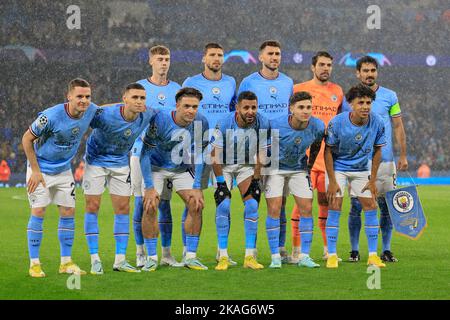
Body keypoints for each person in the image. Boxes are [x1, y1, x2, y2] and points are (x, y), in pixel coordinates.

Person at [22, 78, 97, 277]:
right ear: (69, 96)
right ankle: (34, 264)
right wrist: (36, 171)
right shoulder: (51, 116)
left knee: (68, 212)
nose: (84, 100)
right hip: (41, 170)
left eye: (87, 96)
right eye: (79, 96)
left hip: (64, 170)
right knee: (38, 212)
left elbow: (106, 109)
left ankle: (65, 262)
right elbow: (27, 139)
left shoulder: (90, 110)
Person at [82, 83, 155, 275]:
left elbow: (166, 116)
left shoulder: (148, 114)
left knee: (123, 208)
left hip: (121, 163)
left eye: (142, 98)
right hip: (95, 161)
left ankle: (120, 259)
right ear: (124, 98)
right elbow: (85, 115)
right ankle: (94, 259)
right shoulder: (106, 115)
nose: (139, 102)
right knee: (92, 207)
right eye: (135, 98)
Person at [346, 56, 408, 263]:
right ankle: (354, 250)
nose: (369, 74)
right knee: (356, 207)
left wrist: (403, 154)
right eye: (365, 70)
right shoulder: (351, 98)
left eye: (373, 70)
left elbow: (398, 126)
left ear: (377, 72)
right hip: (359, 163)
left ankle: (386, 249)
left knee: (387, 206)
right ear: (358, 73)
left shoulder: (390, 96)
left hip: (386, 161)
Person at [140, 87, 209, 271]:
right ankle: (152, 258)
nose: (191, 111)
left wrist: (197, 186)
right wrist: (148, 186)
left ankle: (191, 257)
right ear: (177, 105)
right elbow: (144, 154)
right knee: (150, 204)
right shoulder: (160, 119)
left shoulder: (201, 121)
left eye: (195, 107)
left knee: (196, 202)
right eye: (186, 106)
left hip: (181, 168)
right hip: (155, 167)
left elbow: (202, 153)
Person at [238, 40, 293, 261]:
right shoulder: (248, 82)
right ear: (260, 57)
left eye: (278, 54)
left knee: (280, 202)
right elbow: (241, 111)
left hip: (281, 146)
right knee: (252, 199)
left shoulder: (288, 82)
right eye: (270, 53)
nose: (274, 57)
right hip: (253, 146)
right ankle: (250, 249)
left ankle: (279, 248)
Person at [183, 42, 237, 265]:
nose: (217, 58)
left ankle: (221, 251)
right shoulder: (191, 82)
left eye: (220, 55)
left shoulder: (231, 82)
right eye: (212, 55)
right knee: (193, 202)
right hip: (197, 150)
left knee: (224, 200)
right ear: (203, 58)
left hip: (223, 151)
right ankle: (188, 251)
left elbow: (234, 111)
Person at [324, 84, 387, 269]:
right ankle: (332, 255)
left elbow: (377, 151)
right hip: (338, 168)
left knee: (370, 205)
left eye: (368, 102)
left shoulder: (377, 122)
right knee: (335, 204)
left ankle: (373, 255)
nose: (365, 106)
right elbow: (327, 152)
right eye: (361, 102)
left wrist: (372, 179)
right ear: (351, 103)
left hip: (361, 169)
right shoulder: (337, 122)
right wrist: (333, 181)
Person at [290, 51, 344, 263]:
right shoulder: (298, 89)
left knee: (326, 203)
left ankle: (326, 249)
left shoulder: (337, 92)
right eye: (321, 64)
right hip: (305, 158)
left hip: (329, 158)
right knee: (302, 204)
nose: (325, 68)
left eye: (329, 65)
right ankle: (296, 250)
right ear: (313, 67)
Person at [131, 45, 182, 268]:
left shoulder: (178, 89)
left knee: (165, 204)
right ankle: (141, 251)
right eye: (160, 59)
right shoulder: (141, 87)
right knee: (142, 202)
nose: (164, 62)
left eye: (167, 58)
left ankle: (167, 253)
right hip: (141, 153)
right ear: (150, 61)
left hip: (168, 156)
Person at [264, 92, 324, 268]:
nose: (306, 111)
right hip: (275, 168)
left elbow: (317, 145)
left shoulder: (318, 126)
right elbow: (263, 147)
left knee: (306, 208)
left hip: (299, 169)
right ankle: (275, 256)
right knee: (274, 208)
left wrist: (310, 165)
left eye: (308, 107)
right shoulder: (275, 125)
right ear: (291, 109)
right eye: (301, 107)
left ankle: (304, 256)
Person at [211, 91, 269, 271]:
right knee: (223, 205)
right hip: (224, 165)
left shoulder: (262, 122)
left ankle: (249, 256)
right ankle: (223, 255)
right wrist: (221, 182)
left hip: (246, 165)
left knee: (252, 205)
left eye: (254, 107)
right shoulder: (225, 123)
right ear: (237, 108)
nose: (251, 111)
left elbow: (262, 152)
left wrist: (257, 177)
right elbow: (215, 156)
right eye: (246, 108)